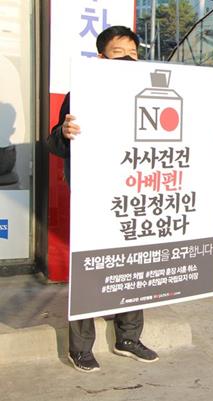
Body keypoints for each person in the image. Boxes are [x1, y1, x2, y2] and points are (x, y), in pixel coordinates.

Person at [47, 26, 158, 373]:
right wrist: (64, 134)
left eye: (132, 53)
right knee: (91, 268)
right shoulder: (82, 91)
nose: (127, 59)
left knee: (135, 265)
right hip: (95, 196)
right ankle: (80, 347)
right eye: (118, 53)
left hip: (137, 193)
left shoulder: (150, 92)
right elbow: (53, 142)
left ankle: (128, 337)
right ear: (100, 57)